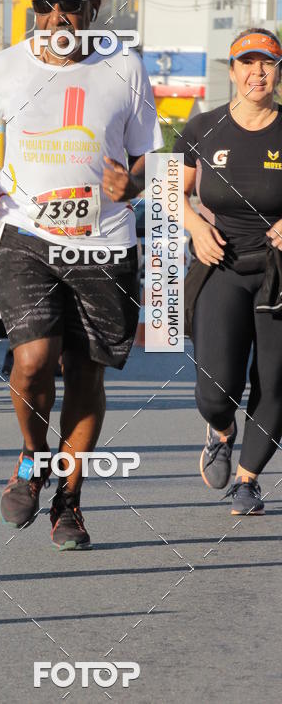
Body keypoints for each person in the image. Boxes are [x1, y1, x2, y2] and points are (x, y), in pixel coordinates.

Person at [0, 0, 162, 550]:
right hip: (29, 236)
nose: (55, 18)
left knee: (86, 372)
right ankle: (31, 457)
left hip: (105, 243)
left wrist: (135, 182)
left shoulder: (125, 67)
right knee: (32, 360)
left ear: (92, 8)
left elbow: (154, 154)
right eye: (44, 7)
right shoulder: (7, 65)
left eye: (69, 6)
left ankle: (69, 503)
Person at [173, 28, 282, 515]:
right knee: (215, 387)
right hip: (221, 265)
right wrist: (196, 225)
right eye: (248, 63)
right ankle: (221, 429)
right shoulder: (203, 127)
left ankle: (248, 480)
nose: (258, 72)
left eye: (268, 63)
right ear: (233, 71)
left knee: (275, 382)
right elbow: (168, 190)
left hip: (278, 274)